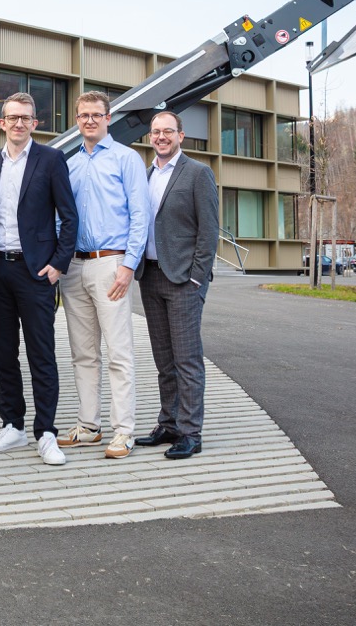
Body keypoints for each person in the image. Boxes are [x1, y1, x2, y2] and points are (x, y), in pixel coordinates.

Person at [0, 92, 78, 466]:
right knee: (3, 353)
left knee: (41, 354)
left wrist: (58, 264)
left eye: (25, 118)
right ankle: (13, 425)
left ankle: (46, 432)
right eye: (12, 117)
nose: (18, 123)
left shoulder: (51, 159)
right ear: (2, 122)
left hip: (36, 272)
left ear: (35, 123)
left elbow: (69, 217)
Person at [58, 91, 149, 460]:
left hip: (111, 264)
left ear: (108, 118)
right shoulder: (69, 164)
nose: (90, 120)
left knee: (118, 353)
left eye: (97, 114)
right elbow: (61, 216)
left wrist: (128, 265)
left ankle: (124, 431)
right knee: (83, 353)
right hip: (73, 267)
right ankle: (89, 426)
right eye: (84, 115)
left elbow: (140, 215)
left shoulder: (127, 159)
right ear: (77, 120)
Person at [135, 111, 219, 460]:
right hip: (150, 277)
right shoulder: (145, 175)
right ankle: (168, 423)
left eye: (168, 131)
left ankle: (190, 432)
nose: (161, 137)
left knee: (187, 360)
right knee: (164, 360)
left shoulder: (198, 173)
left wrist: (197, 277)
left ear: (181, 135)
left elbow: (209, 231)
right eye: (156, 132)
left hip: (183, 280)